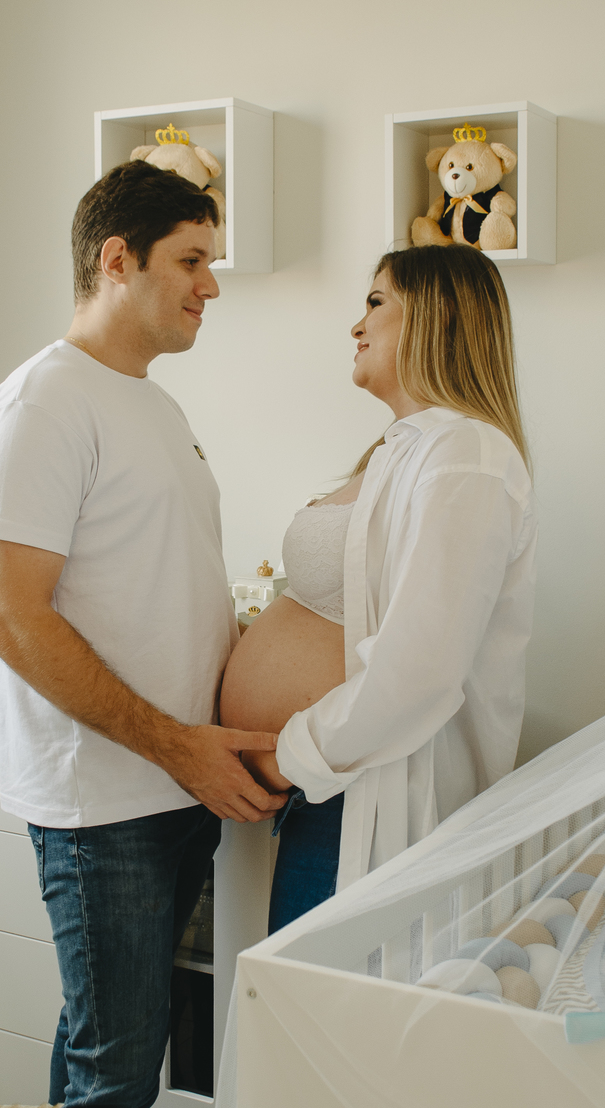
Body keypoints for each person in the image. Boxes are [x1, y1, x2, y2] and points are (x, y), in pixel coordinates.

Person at [0, 161, 285, 1108]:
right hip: (106, 806)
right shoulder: (44, 404)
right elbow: (13, 616)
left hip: (173, 793)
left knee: (96, 1059)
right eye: (192, 262)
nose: (212, 286)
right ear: (115, 258)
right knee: (112, 1081)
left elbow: (162, 598)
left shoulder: (147, 406)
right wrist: (178, 744)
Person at [219, 242, 537, 930]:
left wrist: (286, 758)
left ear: (436, 316)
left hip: (358, 792)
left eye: (375, 302)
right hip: (325, 788)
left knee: (319, 1021)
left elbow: (420, 670)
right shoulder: (403, 450)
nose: (356, 326)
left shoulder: (468, 455)